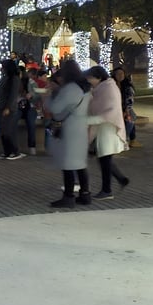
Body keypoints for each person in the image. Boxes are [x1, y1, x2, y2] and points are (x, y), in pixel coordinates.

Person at [45, 60, 92, 208]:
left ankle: (68, 196)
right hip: (81, 127)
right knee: (80, 164)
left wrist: (48, 96)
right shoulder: (85, 88)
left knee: (68, 164)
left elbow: (55, 107)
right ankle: (85, 194)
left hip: (70, 129)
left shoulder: (70, 88)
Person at [85, 66, 130, 200]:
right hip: (104, 128)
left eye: (90, 78)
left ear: (99, 77)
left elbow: (109, 111)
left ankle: (107, 190)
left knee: (105, 158)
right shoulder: (102, 88)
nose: (89, 80)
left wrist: (89, 120)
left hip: (108, 128)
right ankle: (120, 179)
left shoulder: (108, 88)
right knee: (104, 158)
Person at [0, 59, 25, 160]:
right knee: (3, 130)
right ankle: (7, 151)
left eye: (3, 67)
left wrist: (8, 107)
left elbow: (13, 95)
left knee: (9, 130)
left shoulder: (14, 79)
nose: (2, 69)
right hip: (2, 106)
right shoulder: (5, 78)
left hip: (10, 108)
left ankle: (14, 151)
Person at [113, 67, 141, 148]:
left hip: (124, 108)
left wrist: (125, 111)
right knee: (131, 118)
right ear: (114, 75)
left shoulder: (128, 86)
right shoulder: (112, 85)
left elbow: (130, 101)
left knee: (130, 118)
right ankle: (132, 139)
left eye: (122, 73)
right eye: (118, 73)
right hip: (114, 108)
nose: (120, 75)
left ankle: (125, 138)